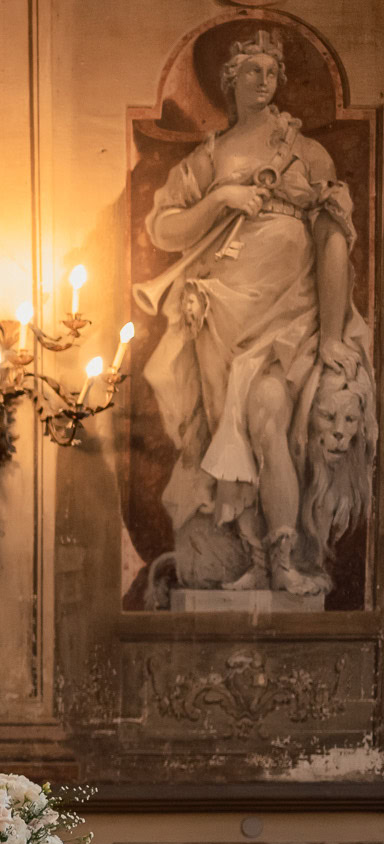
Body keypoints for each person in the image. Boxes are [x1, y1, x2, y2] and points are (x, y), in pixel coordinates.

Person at [137, 28, 374, 599]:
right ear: (229, 82)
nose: (264, 84)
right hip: (220, 321)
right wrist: (221, 198)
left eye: (272, 74)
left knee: (270, 418)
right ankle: (249, 557)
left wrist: (336, 333)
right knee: (230, 440)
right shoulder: (211, 157)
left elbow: (333, 237)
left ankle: (284, 558)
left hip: (287, 321)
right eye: (252, 73)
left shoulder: (305, 152)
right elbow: (162, 228)